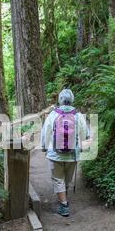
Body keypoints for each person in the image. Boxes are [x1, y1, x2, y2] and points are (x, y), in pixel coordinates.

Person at [41, 89, 89, 217]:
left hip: (55, 154)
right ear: (72, 100)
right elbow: (85, 134)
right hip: (73, 154)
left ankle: (64, 205)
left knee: (58, 179)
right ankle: (64, 197)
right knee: (66, 179)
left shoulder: (53, 114)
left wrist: (44, 147)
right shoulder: (78, 115)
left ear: (60, 100)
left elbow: (46, 132)